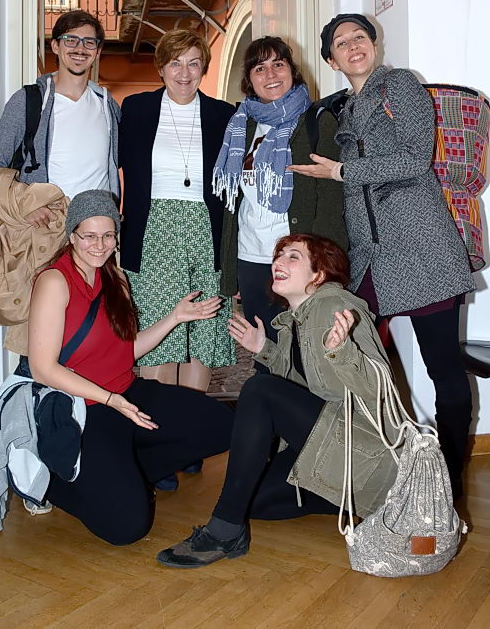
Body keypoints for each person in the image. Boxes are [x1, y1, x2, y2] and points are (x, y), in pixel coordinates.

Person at [288, 13, 475, 495]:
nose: (353, 46)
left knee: (442, 367)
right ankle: (382, 462)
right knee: (354, 358)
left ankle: (449, 475)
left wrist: (342, 172)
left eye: (360, 37)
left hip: (421, 246)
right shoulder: (343, 110)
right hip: (372, 256)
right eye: (341, 43)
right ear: (331, 60)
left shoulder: (401, 87)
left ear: (374, 44)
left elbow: (415, 158)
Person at [156, 233, 398, 569]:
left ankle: (225, 532)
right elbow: (306, 385)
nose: (278, 263)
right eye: (278, 256)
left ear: (319, 274)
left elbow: (380, 388)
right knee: (254, 502)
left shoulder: (337, 306)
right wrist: (265, 350)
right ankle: (355, 499)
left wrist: (343, 352)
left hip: (363, 448)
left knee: (260, 390)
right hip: (334, 443)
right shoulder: (294, 322)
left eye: (293, 257)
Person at [27, 189, 234, 545]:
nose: (99, 245)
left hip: (126, 394)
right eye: (89, 236)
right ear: (71, 235)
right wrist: (111, 400)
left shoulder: (116, 277)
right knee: (127, 528)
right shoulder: (54, 281)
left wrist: (175, 317)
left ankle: (128, 476)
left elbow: (126, 350)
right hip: (84, 409)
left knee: (223, 426)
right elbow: (43, 369)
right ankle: (49, 480)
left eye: (108, 235)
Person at [213, 36, 347, 368]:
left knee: (307, 354)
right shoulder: (241, 125)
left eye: (278, 64)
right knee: (264, 354)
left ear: (292, 70)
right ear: (249, 79)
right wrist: (232, 272)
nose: (270, 74)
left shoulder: (317, 121)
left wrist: (323, 267)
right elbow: (234, 205)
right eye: (260, 68)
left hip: (300, 263)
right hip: (251, 257)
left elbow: (331, 201)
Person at [119, 29, 237, 395]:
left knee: (203, 328)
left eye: (193, 63)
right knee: (159, 326)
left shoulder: (224, 115)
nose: (184, 73)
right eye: (175, 63)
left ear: (204, 68)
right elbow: (111, 165)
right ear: (161, 68)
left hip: (206, 232)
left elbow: (235, 185)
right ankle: (159, 423)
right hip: (154, 233)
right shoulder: (136, 109)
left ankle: (192, 421)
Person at [0, 9, 120, 216]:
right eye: (71, 40)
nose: (80, 48)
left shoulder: (108, 105)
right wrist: (25, 203)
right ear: (55, 46)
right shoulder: (28, 100)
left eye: (89, 42)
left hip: (96, 225)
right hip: (47, 225)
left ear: (97, 51)